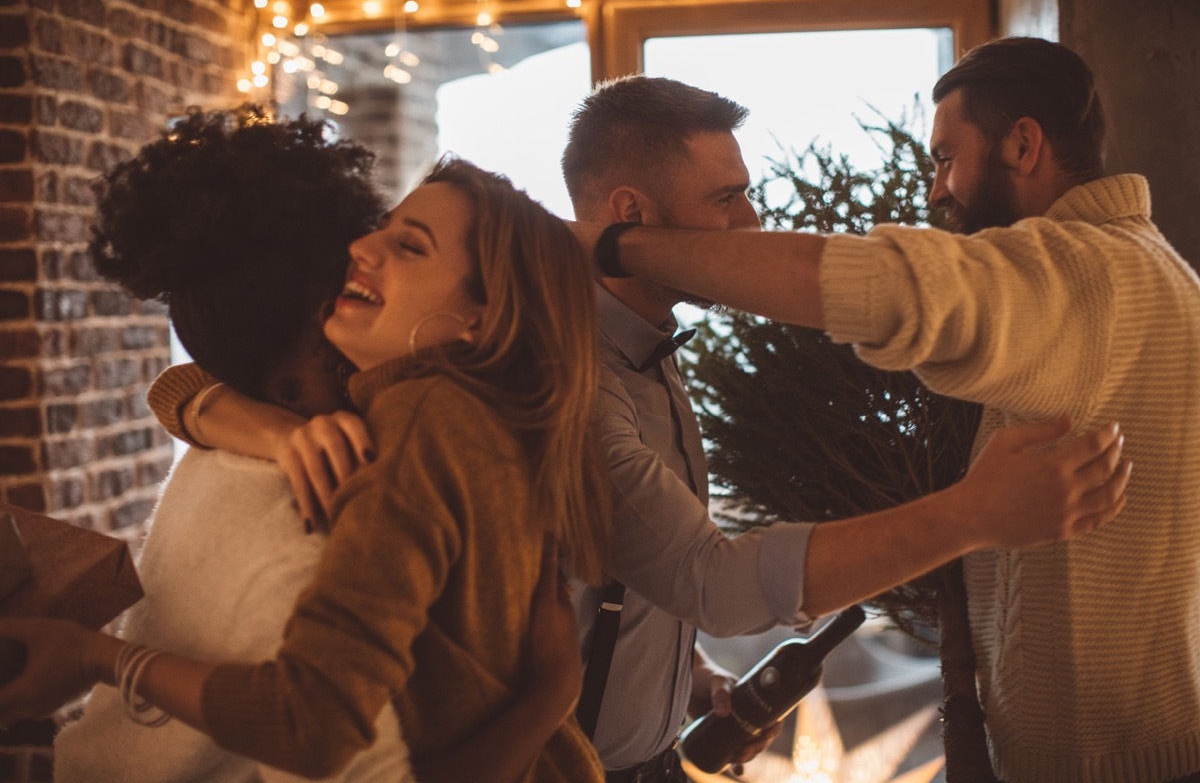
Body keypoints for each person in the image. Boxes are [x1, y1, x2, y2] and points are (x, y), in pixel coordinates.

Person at [145, 77, 1130, 783]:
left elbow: (618, 571)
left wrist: (676, 680)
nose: (752, 224)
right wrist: (973, 512)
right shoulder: (548, 377)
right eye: (727, 198)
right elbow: (722, 581)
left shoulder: (644, 348)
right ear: (628, 215)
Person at [571, 39, 1197, 783]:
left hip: (1104, 761)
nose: (937, 190)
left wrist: (618, 247)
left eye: (944, 158)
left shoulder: (1085, 273)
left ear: (1023, 144)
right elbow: (678, 578)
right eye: (726, 198)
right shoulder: (1142, 266)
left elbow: (890, 289)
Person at [0, 123, 609, 782]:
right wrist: (272, 427)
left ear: (481, 318)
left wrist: (98, 657)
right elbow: (177, 386)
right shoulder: (479, 418)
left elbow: (315, 729)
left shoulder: (406, 441)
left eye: (406, 245)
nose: (362, 249)